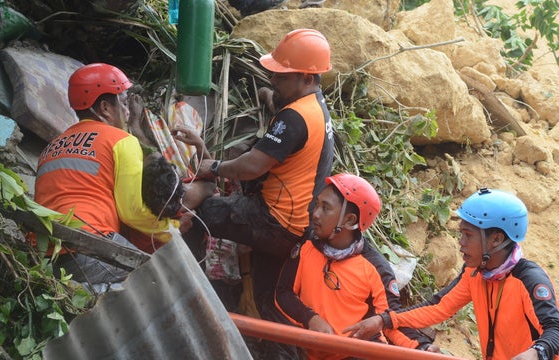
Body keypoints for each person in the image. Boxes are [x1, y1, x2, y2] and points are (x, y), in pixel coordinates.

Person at [174, 28, 335, 358]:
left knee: (204, 215)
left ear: (307, 76)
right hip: (294, 224)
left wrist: (213, 168)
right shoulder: (315, 106)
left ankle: (186, 293)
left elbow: (252, 167)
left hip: (273, 220)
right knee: (269, 302)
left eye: (281, 76)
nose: (273, 81)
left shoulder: (295, 117)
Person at [344, 188, 559, 360]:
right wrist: (384, 320)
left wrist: (536, 352)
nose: (461, 244)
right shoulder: (475, 273)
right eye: (461, 234)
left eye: (468, 235)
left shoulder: (529, 280)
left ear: (496, 239)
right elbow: (439, 306)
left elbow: (555, 329)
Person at [34, 63, 179, 292]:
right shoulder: (120, 140)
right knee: (161, 282)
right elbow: (132, 212)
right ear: (104, 108)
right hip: (87, 246)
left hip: (42, 254)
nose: (128, 111)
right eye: (123, 103)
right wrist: (172, 229)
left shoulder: (51, 146)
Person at [274, 173, 435, 359]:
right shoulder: (306, 246)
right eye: (317, 204)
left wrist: (422, 348)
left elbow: (392, 320)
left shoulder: (375, 268)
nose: (315, 213)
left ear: (349, 220)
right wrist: (310, 318)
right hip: (310, 352)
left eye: (325, 208)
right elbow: (284, 292)